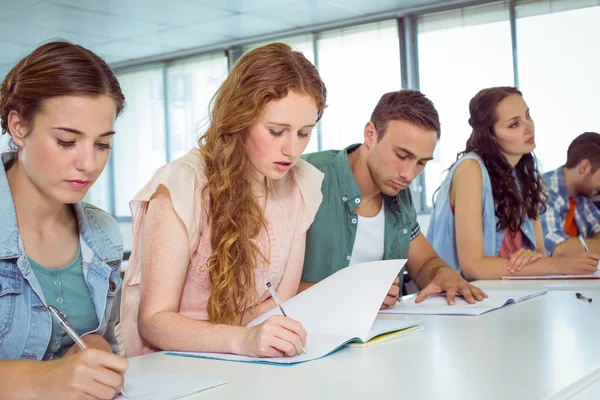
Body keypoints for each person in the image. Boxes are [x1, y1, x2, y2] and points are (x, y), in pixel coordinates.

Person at [118, 43, 327, 358]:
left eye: (304, 133)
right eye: (276, 131)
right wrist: (242, 338)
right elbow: (154, 322)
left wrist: (251, 337)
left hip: (246, 360)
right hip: (172, 368)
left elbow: (280, 301)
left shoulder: (301, 184)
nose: (292, 150)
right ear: (240, 120)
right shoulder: (181, 184)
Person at [0, 41, 128, 399]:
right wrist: (46, 380)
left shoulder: (103, 235)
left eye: (102, 144)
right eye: (67, 141)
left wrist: (94, 351)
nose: (88, 164)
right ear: (18, 127)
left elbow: (97, 339)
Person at [300, 90, 486, 306]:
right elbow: (266, 289)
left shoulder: (399, 195)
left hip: (384, 333)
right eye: (402, 155)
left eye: (421, 162)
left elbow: (426, 263)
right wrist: (350, 293)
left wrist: (444, 274)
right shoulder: (307, 176)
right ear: (371, 134)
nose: (408, 175)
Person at [427, 87, 599, 280]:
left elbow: (540, 250)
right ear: (490, 135)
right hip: (465, 298)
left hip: (510, 292)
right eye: (514, 124)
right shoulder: (470, 169)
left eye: (528, 116)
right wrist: (558, 264)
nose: (529, 127)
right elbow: (474, 268)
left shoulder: (525, 174)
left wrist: (534, 257)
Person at [541, 132, 600, 256]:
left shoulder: (582, 196)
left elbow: (598, 229)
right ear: (584, 167)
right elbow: (557, 249)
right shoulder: (544, 190)